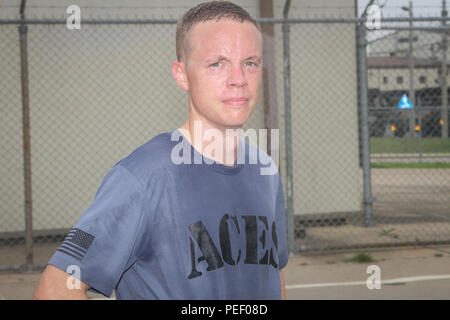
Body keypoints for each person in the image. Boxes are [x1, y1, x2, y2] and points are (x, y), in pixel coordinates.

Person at [33, 0, 288, 300]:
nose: (238, 79)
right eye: (217, 63)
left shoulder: (264, 169)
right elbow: (55, 289)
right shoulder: (142, 177)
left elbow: (273, 275)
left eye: (250, 62)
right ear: (181, 75)